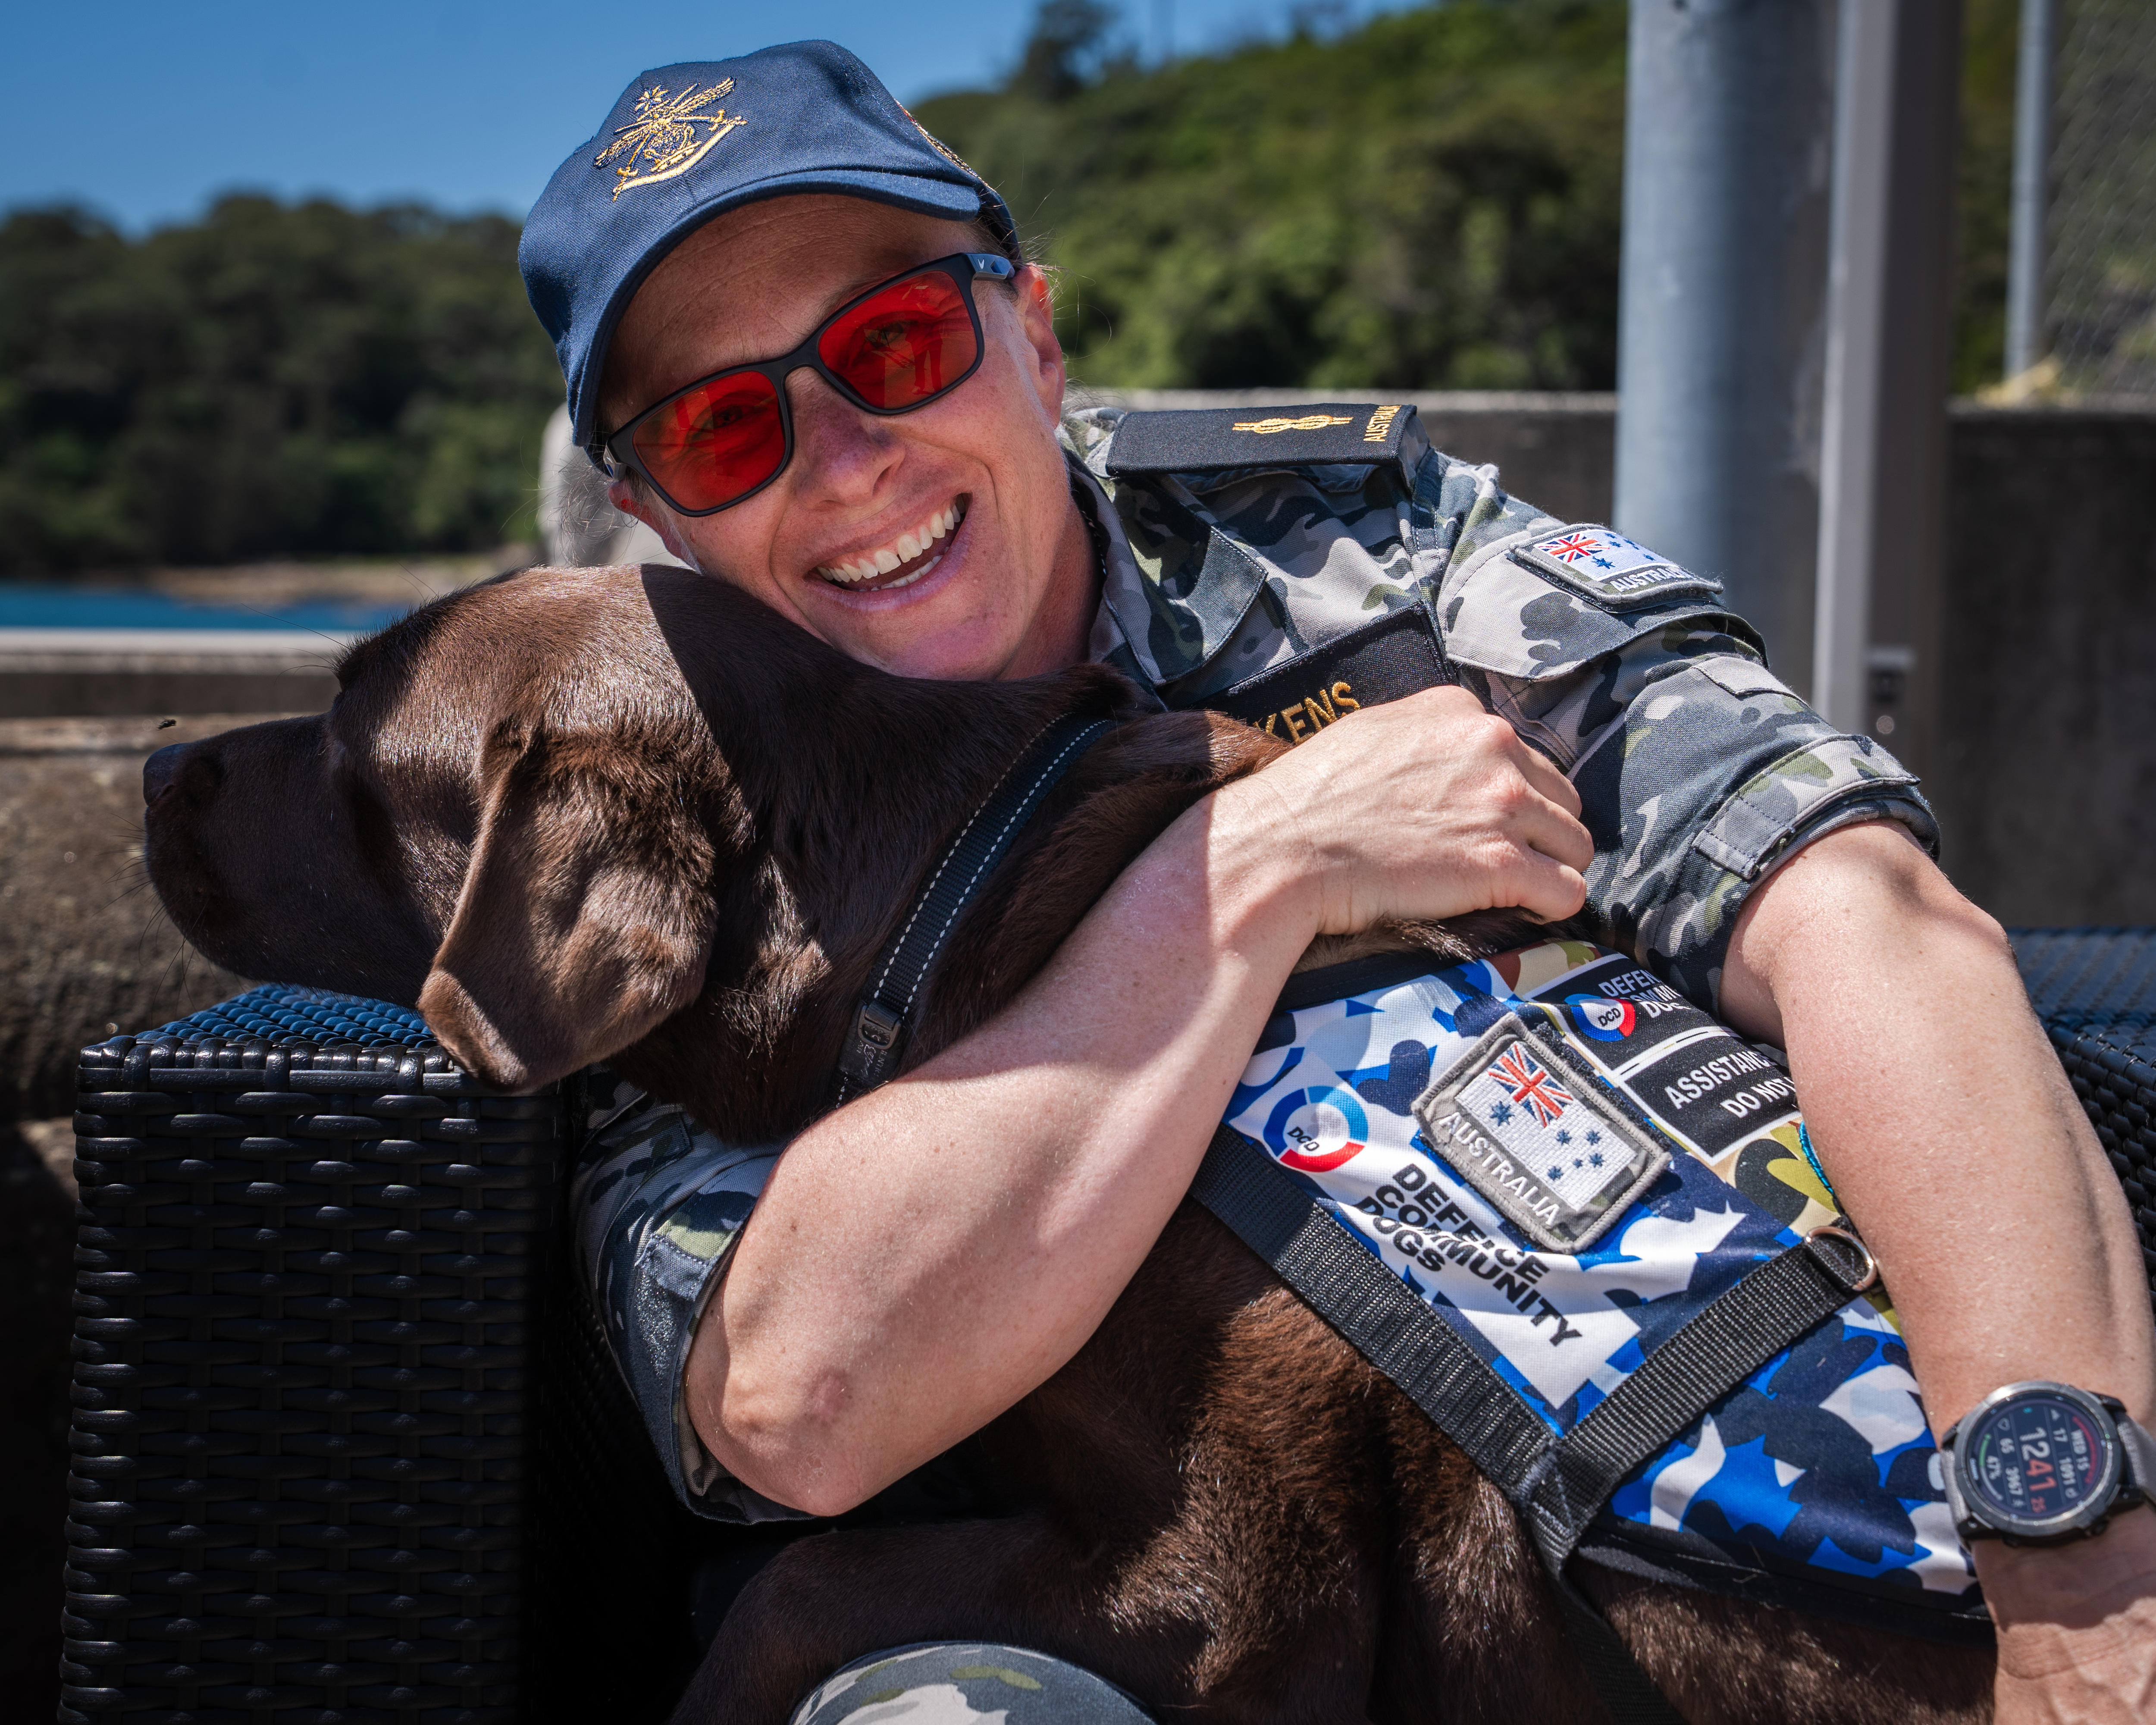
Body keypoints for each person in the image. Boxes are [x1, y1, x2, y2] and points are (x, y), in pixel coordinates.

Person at [518, 41, 2156, 1724]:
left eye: (897, 344)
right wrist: (1252, 864)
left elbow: (1861, 917)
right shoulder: (661, 838)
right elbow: (798, 1397)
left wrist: (2080, 1590)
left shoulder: (1358, 555)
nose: (845, 456)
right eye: (724, 428)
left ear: (1030, 329)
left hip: (1716, 1555)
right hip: (1100, 1624)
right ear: (655, 514)